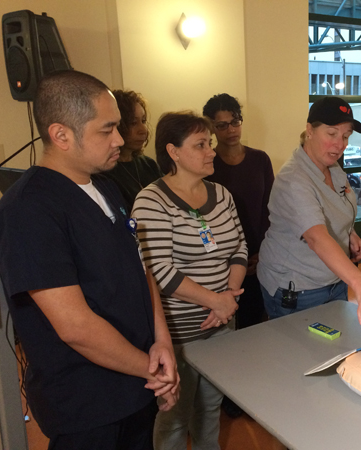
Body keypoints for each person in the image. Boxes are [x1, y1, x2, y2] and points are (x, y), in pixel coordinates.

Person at [0, 70, 178, 449]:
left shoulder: (105, 187)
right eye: (106, 129)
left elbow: (140, 270)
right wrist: (155, 372)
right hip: (88, 405)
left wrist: (162, 343)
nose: (121, 139)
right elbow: (75, 326)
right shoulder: (29, 209)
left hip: (136, 385)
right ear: (61, 135)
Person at [132, 111, 247, 450]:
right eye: (200, 145)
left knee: (210, 408)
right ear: (173, 152)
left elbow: (240, 246)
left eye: (209, 143)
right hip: (179, 334)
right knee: (174, 416)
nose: (211, 151)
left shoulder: (221, 194)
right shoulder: (151, 200)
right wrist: (217, 301)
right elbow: (157, 270)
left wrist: (228, 297)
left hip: (223, 324)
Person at [257, 96, 361, 326]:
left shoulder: (332, 168)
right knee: (303, 358)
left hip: (333, 279)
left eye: (346, 136)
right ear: (309, 130)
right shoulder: (294, 179)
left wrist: (349, 233)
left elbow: (334, 205)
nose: (340, 144)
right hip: (297, 288)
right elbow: (317, 238)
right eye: (331, 134)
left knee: (335, 346)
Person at [202, 93, 274, 330]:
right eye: (221, 125)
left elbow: (270, 209)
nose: (230, 130)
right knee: (223, 325)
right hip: (221, 258)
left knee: (254, 323)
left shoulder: (259, 160)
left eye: (235, 122)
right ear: (212, 128)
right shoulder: (207, 165)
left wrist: (261, 252)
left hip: (257, 255)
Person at [104, 90, 163, 210]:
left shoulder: (148, 164)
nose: (143, 130)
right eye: (133, 123)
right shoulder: (104, 172)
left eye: (144, 121)